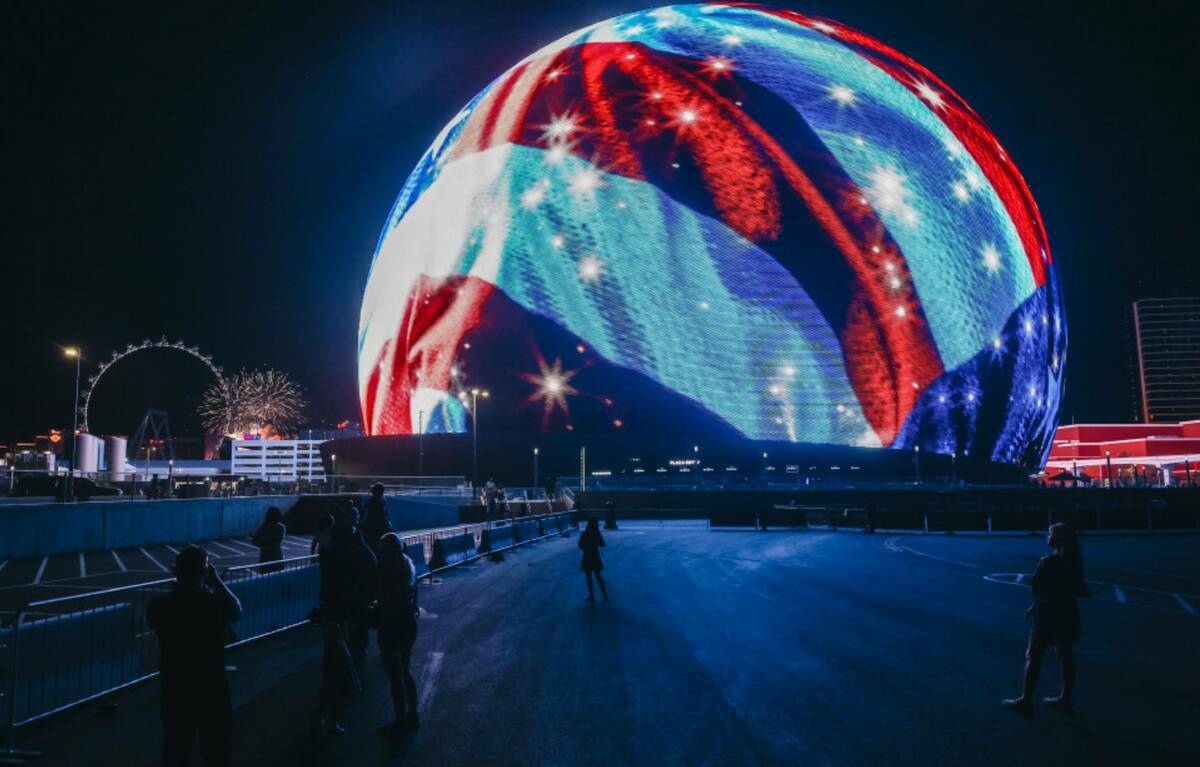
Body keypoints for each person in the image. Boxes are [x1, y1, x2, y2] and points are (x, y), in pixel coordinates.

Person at [146, 546, 242, 766]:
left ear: (175, 571)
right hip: (211, 685)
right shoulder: (214, 604)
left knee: (176, 749)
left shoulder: (159, 606)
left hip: (175, 684)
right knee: (216, 750)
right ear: (205, 572)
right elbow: (236, 608)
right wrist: (216, 582)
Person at [1003, 523, 1091, 714]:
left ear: (1055, 539)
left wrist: (1036, 606)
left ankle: (1026, 700)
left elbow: (1039, 588)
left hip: (1048, 614)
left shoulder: (1048, 562)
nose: (1047, 536)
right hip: (1067, 612)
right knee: (1065, 655)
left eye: (1049, 534)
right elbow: (1071, 589)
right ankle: (1065, 698)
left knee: (1033, 656)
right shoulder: (1074, 561)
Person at [375, 533, 420, 735]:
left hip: (392, 623)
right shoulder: (408, 564)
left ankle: (400, 720)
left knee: (395, 675)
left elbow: (383, 596)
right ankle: (412, 712)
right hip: (408, 622)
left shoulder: (388, 569)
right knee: (406, 668)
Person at [578, 517, 608, 601]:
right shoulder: (597, 534)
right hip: (595, 555)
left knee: (588, 577)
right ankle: (604, 593)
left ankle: (591, 594)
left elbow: (580, 545)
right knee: (598, 576)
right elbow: (602, 544)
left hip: (587, 556)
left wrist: (586, 547)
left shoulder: (585, 533)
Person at [251, 506, 286, 573]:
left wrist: (263, 545)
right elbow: (277, 540)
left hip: (265, 558)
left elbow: (254, 540)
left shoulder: (263, 527)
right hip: (277, 558)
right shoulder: (281, 527)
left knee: (265, 579)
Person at [361, 483, 393, 554]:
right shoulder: (373, 501)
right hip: (376, 525)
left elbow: (386, 513)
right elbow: (386, 513)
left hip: (376, 525)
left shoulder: (380, 500)